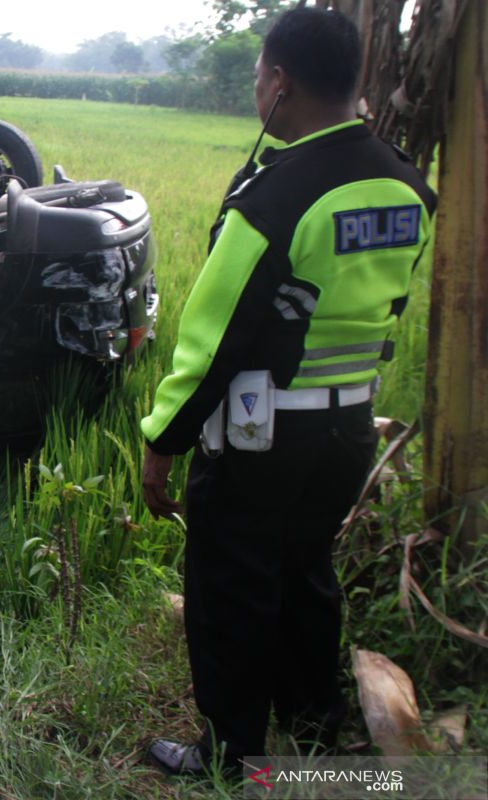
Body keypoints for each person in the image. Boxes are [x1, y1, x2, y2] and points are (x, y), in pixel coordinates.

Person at [139, 8, 436, 775]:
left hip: (258, 439)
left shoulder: (275, 199)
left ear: (279, 81)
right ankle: (314, 716)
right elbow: (387, 303)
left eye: (257, 74)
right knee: (305, 567)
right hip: (347, 433)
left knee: (231, 587)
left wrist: (161, 446)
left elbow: (210, 341)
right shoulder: (407, 186)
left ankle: (232, 756)